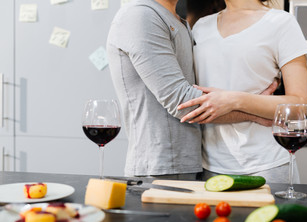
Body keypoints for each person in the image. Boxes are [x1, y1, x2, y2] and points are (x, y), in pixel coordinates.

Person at [106, 0, 278, 179]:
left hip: (190, 163)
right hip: (159, 166)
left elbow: (200, 83)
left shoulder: (180, 22)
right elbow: (184, 102)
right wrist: (256, 112)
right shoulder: (141, 16)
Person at [178, 0, 307, 183]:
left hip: (266, 167)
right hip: (207, 167)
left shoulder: (282, 23)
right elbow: (187, 95)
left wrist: (235, 99)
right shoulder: (200, 26)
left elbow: (300, 106)